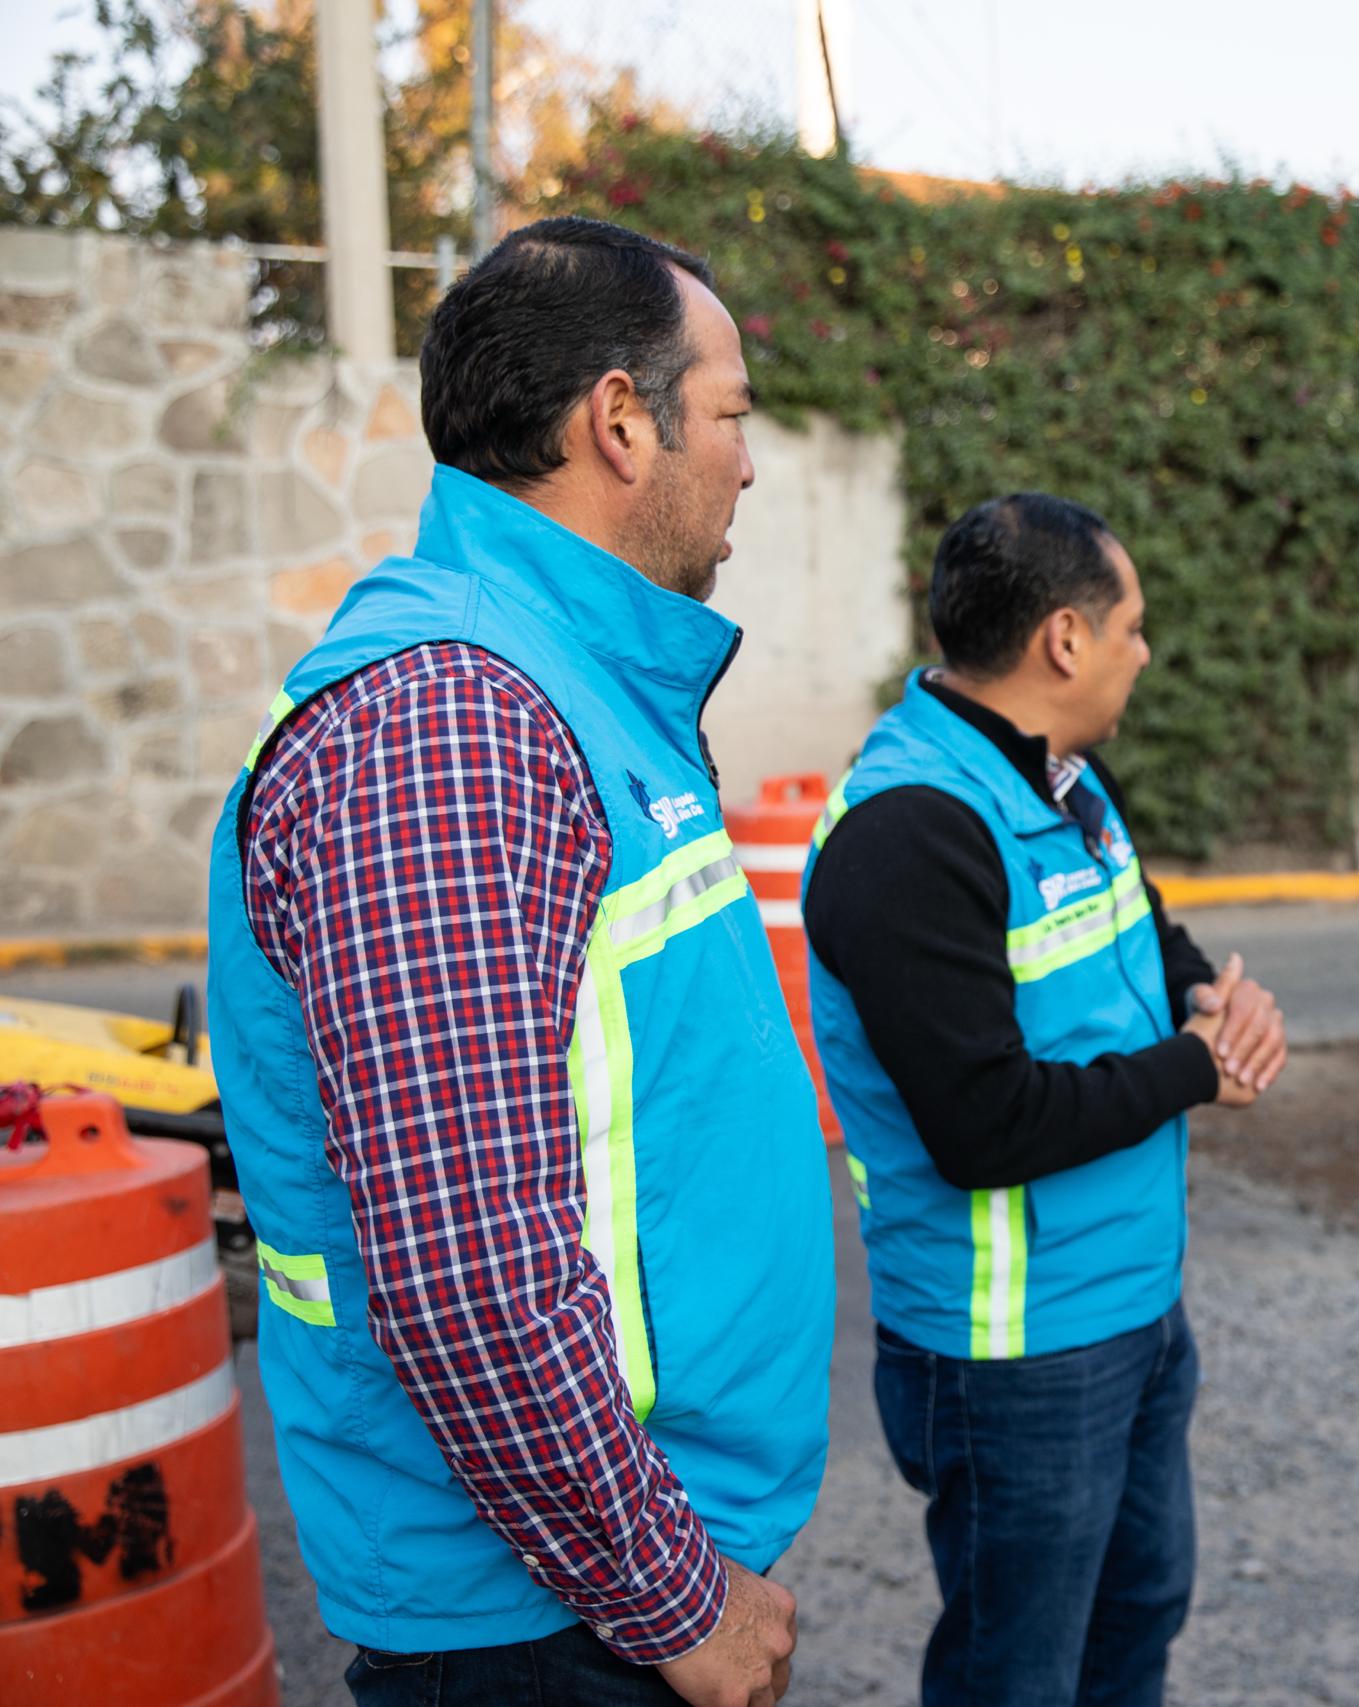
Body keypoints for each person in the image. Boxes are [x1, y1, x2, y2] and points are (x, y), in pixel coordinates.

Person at [207, 217, 830, 1707]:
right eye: (731, 415)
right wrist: (678, 1603)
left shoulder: (570, 679)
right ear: (620, 420)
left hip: (600, 1569)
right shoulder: (455, 723)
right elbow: (470, 1271)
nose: (748, 460)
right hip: (546, 1618)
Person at [801, 493, 1289, 1706]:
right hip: (1014, 1355)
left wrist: (1202, 998)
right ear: (1064, 640)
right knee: (1014, 1676)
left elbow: (1135, 920)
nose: (1144, 652)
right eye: (1132, 627)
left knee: (1138, 1614)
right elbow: (985, 1126)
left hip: (1129, 1307)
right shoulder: (912, 832)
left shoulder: (1056, 774)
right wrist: (1201, 1071)